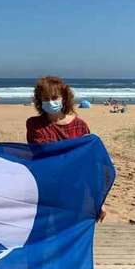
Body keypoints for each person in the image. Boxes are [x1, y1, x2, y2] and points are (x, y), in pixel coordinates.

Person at [26, 76, 105, 222]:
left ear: (64, 98)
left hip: (76, 190)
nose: (50, 102)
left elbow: (90, 163)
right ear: (39, 100)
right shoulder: (34, 124)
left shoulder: (80, 126)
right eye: (45, 98)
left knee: (73, 228)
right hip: (46, 190)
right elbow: (43, 153)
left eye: (54, 97)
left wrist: (99, 200)